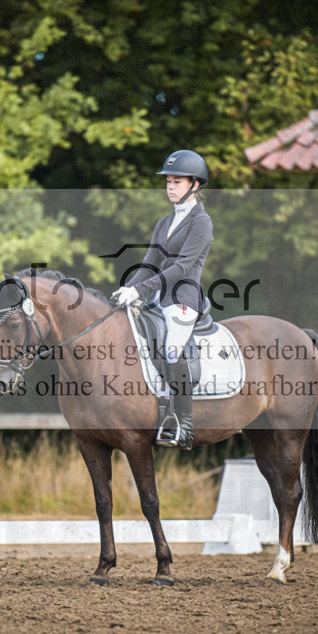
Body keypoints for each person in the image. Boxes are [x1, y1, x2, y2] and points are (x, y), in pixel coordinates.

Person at [111, 149, 213, 449]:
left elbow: (181, 267)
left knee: (170, 349)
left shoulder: (202, 223)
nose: (170, 186)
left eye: (177, 182)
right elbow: (149, 263)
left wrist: (140, 291)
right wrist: (126, 289)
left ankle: (184, 424)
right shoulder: (163, 222)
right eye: (168, 181)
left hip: (183, 299)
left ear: (195, 185)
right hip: (156, 298)